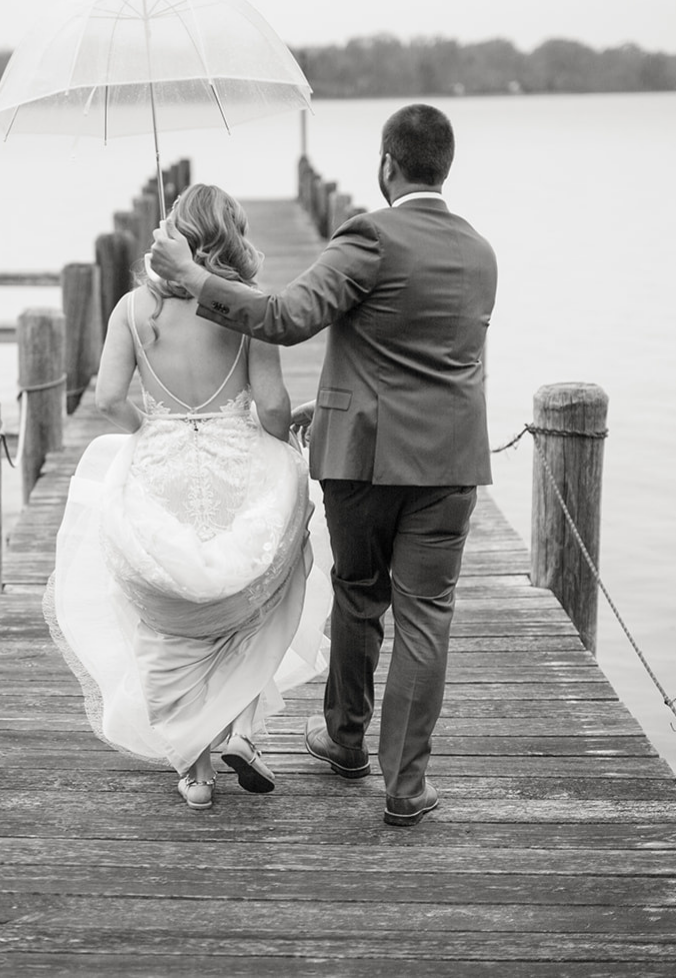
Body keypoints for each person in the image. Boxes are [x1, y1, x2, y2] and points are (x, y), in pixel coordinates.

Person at [149, 103, 497, 826]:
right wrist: (324, 406)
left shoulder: (370, 236)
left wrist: (193, 276)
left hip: (365, 461)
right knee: (427, 616)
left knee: (359, 596)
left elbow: (284, 318)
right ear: (445, 167)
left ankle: (344, 742)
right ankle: (407, 787)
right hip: (451, 464)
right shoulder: (480, 252)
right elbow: (428, 359)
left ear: (386, 165)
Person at [46, 183, 330, 810]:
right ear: (231, 236)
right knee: (255, 592)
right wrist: (274, 449)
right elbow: (275, 405)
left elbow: (107, 400)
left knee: (167, 610)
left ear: (173, 234)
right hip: (236, 458)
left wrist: (149, 428)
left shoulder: (131, 308)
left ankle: (196, 772)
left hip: (162, 459)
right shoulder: (246, 307)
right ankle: (243, 731)